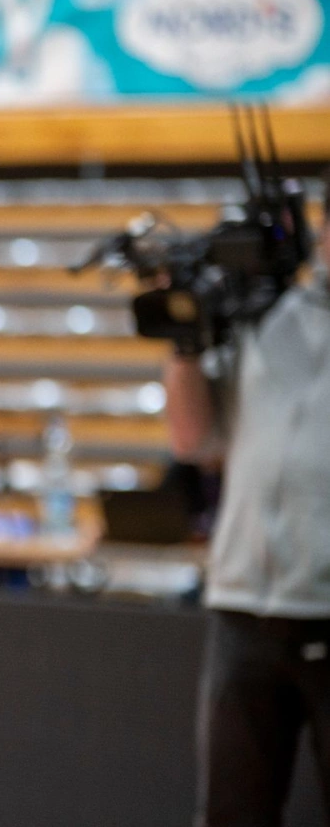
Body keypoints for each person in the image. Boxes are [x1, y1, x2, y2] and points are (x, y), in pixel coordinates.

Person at [164, 172, 330, 827]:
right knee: (231, 815)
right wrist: (183, 343)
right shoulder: (265, 316)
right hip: (244, 612)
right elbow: (192, 440)